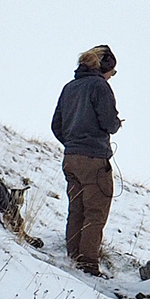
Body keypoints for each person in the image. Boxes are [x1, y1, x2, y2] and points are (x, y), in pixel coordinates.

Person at [51, 45, 122, 276]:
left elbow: (56, 125)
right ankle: (88, 264)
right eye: (113, 71)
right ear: (106, 67)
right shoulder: (100, 86)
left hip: (71, 157)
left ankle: (73, 257)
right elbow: (109, 123)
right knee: (95, 211)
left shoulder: (69, 87)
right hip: (94, 158)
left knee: (77, 208)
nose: (112, 76)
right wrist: (116, 123)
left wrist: (72, 143)